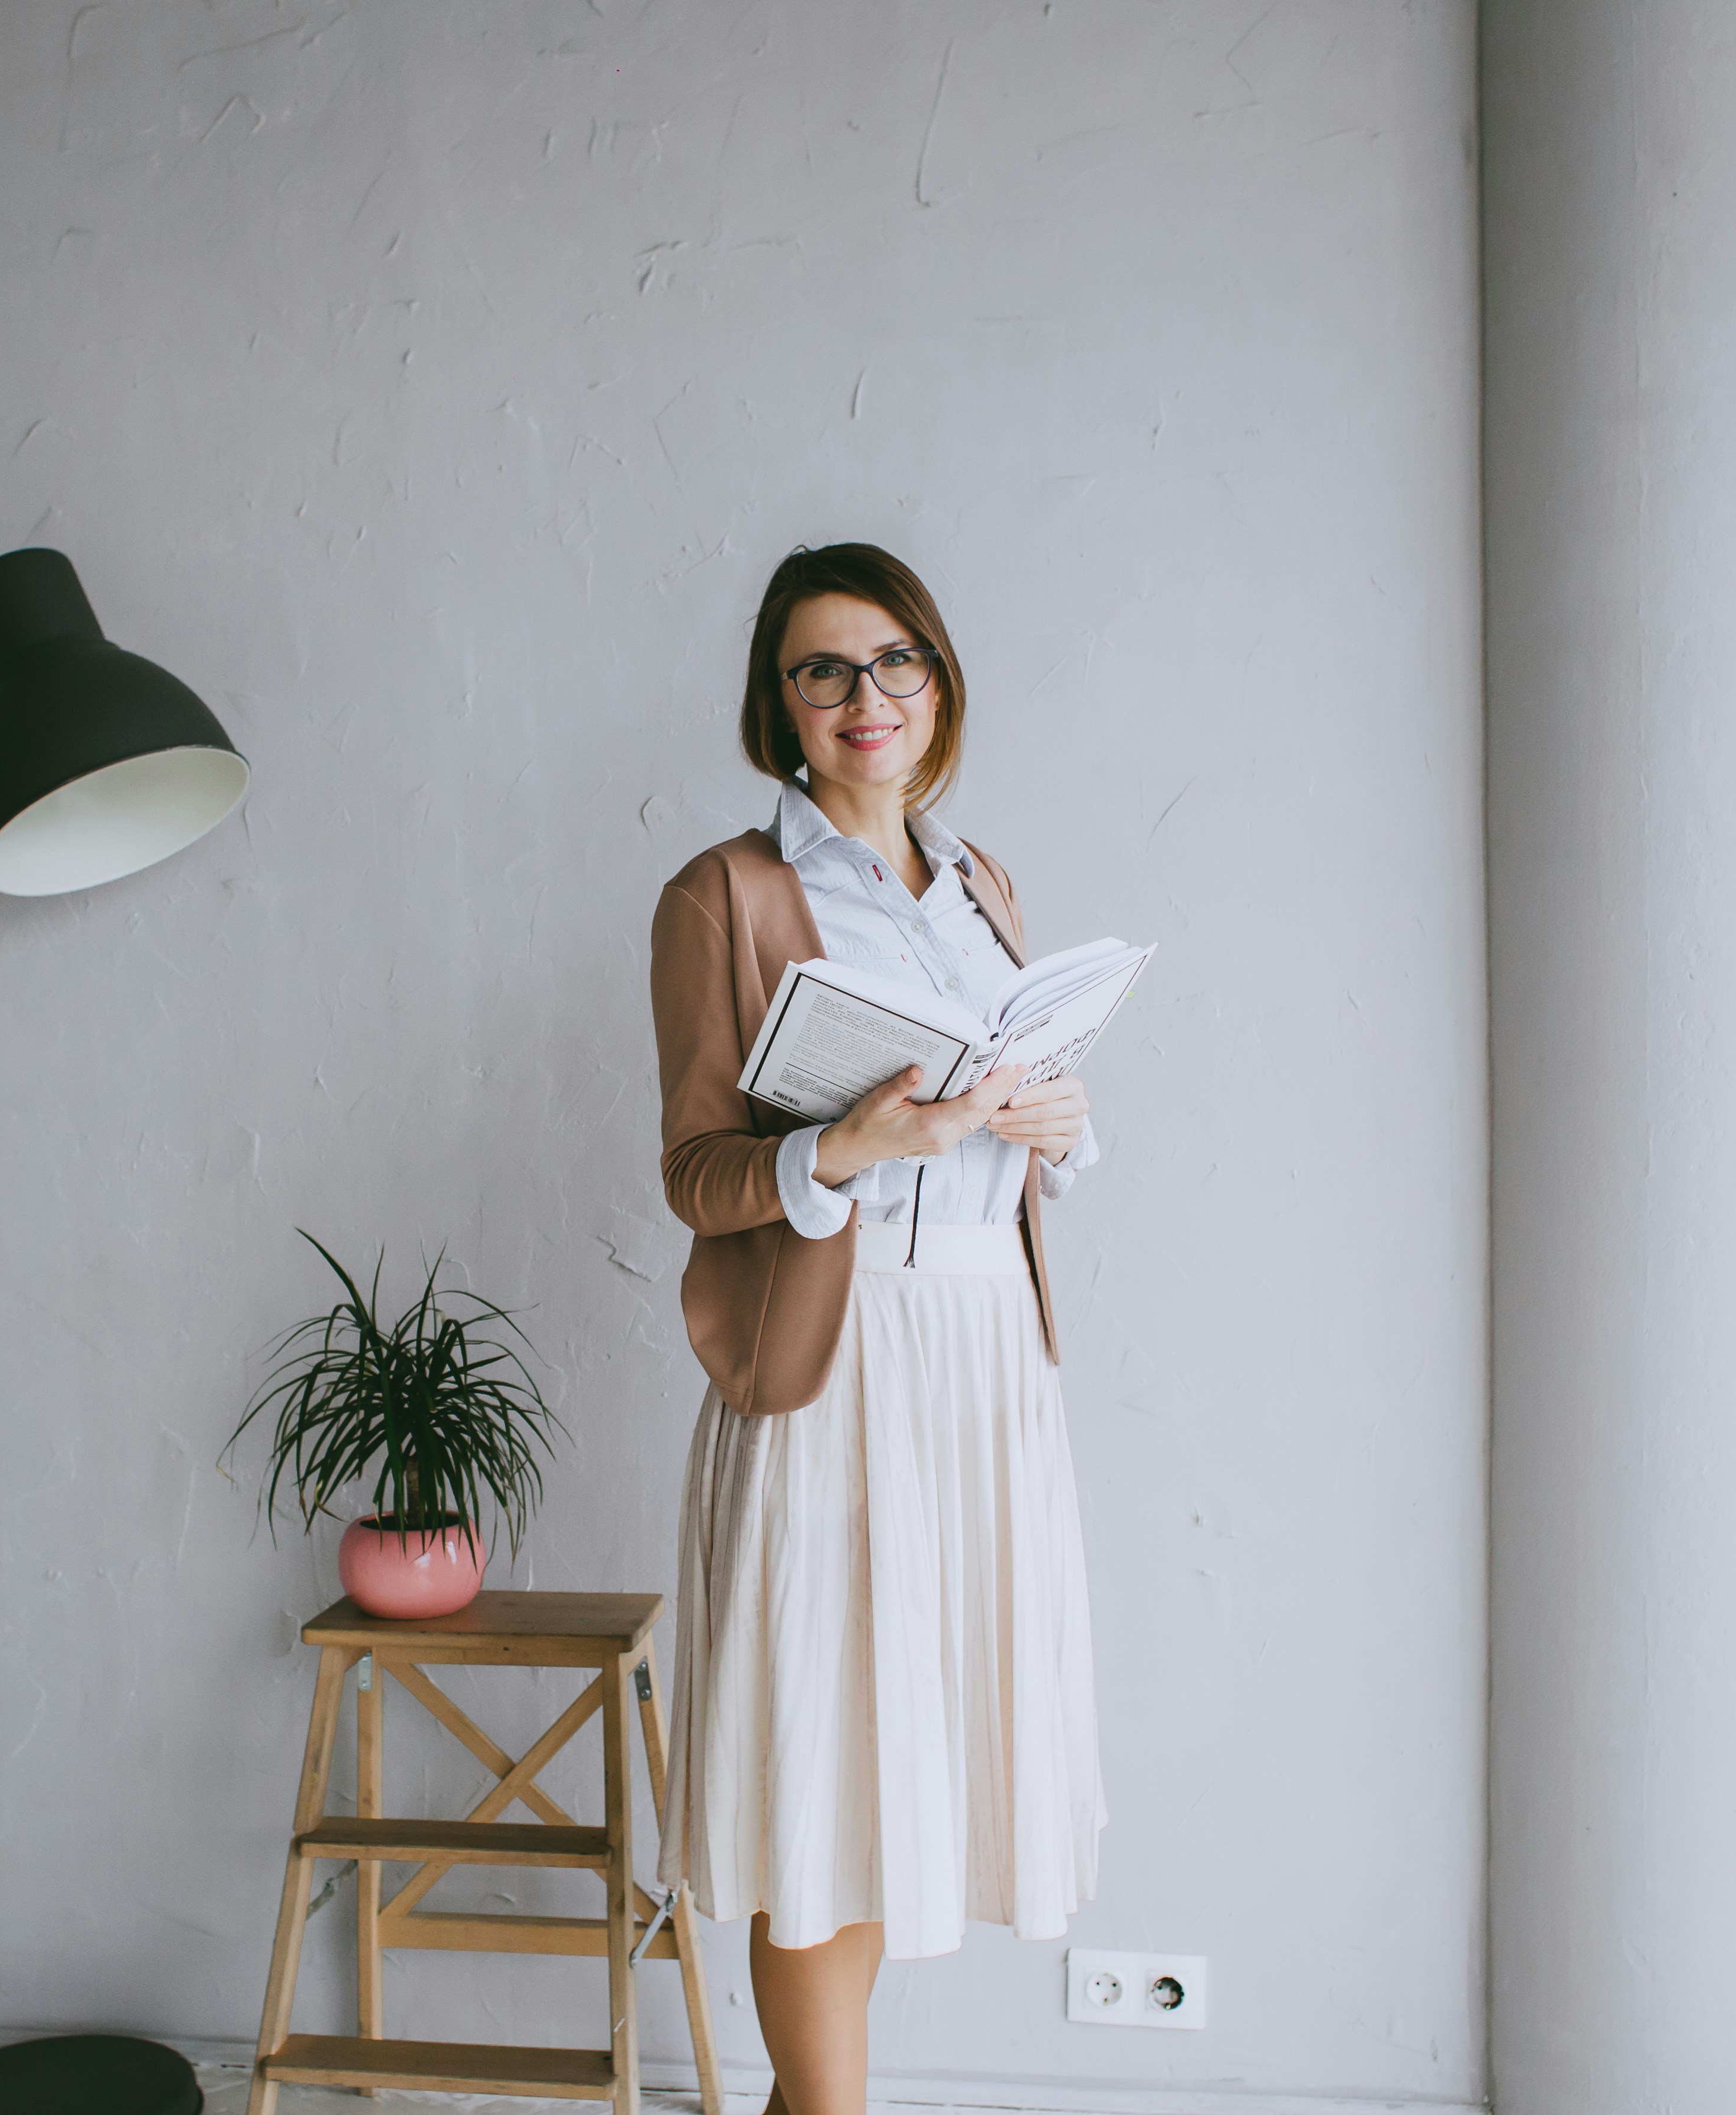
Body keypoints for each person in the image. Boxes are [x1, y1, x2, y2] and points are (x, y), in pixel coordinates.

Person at [648, 543, 1106, 2115]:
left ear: (939, 680)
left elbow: (1012, 1137)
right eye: (823, 668)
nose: (866, 697)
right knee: (816, 1774)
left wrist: (1053, 1121)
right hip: (837, 1362)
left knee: (906, 1762)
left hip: (983, 1368)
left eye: (895, 659)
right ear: (777, 702)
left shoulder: (984, 887)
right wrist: (842, 1149)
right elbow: (698, 1173)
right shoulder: (727, 892)